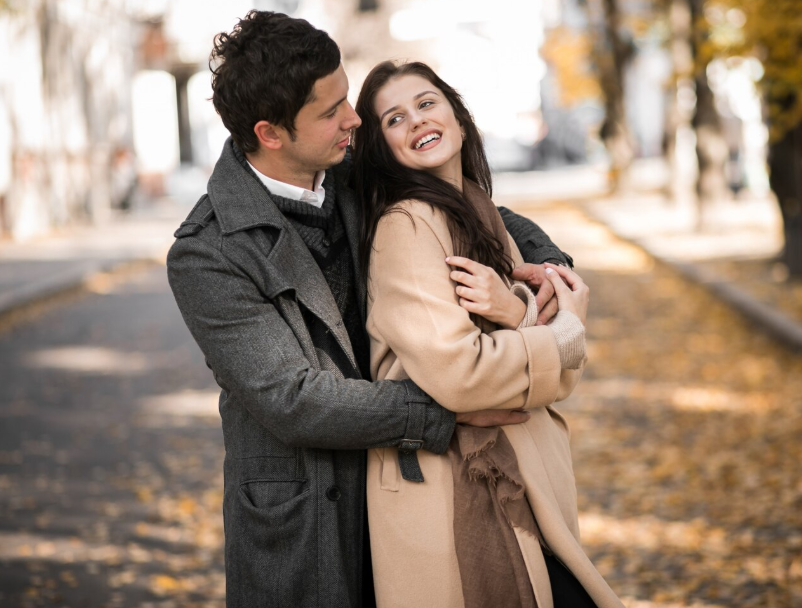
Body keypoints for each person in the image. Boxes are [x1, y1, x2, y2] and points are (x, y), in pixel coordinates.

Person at [166, 10, 574, 608]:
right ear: (271, 133)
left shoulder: (349, 165)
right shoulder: (207, 252)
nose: (354, 119)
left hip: (409, 487)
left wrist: (544, 265)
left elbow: (461, 200)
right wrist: (448, 404)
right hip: (308, 515)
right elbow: (294, 399)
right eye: (331, 110)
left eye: (346, 99)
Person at [352, 61, 625, 608]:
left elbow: (563, 374)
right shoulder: (405, 226)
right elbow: (461, 373)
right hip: (459, 490)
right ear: (381, 147)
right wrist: (556, 333)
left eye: (426, 103)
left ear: (455, 112)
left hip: (519, 480)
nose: (417, 122)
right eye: (394, 118)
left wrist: (516, 311)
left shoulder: (478, 212)